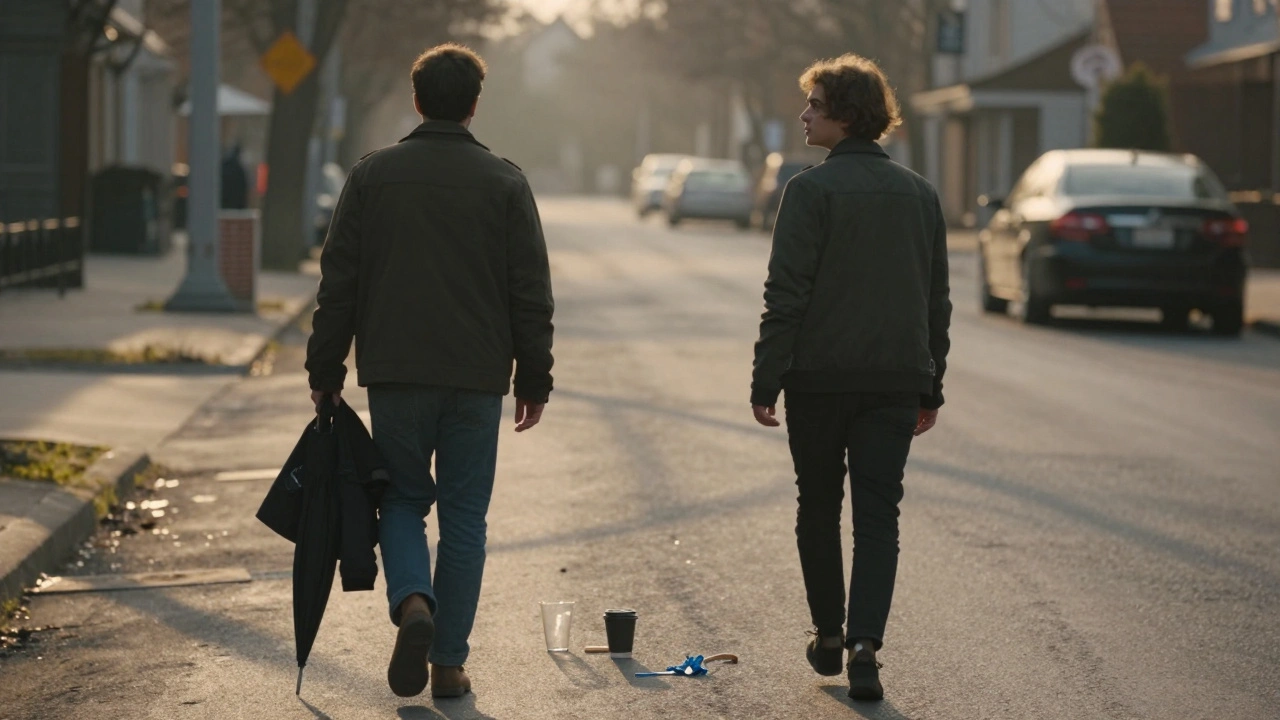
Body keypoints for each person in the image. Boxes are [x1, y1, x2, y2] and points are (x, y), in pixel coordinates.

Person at [304, 43, 555, 699]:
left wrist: (325, 365)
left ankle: (413, 600)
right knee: (467, 519)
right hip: (476, 377)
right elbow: (530, 292)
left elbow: (340, 283)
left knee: (404, 500)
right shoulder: (505, 182)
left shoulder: (371, 176)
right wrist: (534, 377)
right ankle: (447, 664)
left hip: (396, 372)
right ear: (474, 104)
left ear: (417, 100)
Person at [750, 54, 951, 701]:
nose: (804, 114)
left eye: (814, 104)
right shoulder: (920, 195)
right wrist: (931, 385)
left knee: (818, 504)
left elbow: (786, 294)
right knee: (878, 515)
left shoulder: (809, 193)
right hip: (895, 379)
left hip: (819, 380)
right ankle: (866, 642)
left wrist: (766, 377)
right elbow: (934, 301)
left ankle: (829, 633)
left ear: (845, 114)